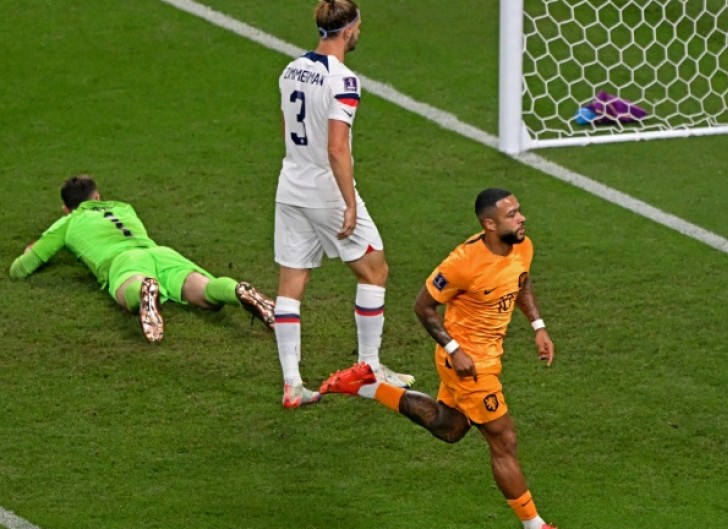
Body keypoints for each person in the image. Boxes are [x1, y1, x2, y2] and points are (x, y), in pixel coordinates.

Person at [319, 188, 558, 529]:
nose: (522, 219)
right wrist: (453, 349)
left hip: (488, 357)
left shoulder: (523, 245)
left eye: (519, 211)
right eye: (512, 215)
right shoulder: (463, 263)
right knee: (503, 439)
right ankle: (535, 525)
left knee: (451, 427)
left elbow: (521, 281)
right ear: (489, 224)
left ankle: (369, 386)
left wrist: (538, 325)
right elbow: (422, 306)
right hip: (468, 364)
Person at [272, 0, 413, 409]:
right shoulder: (344, 81)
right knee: (375, 269)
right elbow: (337, 148)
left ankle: (292, 384)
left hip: (290, 186)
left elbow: (285, 124)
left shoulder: (290, 69)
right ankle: (369, 366)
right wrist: (349, 204)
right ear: (349, 29)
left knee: (291, 284)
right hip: (326, 192)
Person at [9, 175, 276, 343]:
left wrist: (32, 249)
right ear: (98, 196)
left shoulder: (68, 222)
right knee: (206, 291)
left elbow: (20, 269)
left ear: (67, 209)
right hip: (160, 253)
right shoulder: (124, 208)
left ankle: (145, 292)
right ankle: (236, 290)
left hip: (123, 261)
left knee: (129, 292)